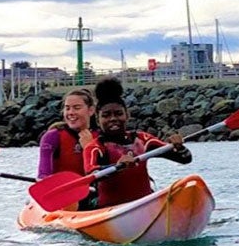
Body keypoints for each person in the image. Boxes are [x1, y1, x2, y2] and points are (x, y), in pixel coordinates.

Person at [82, 77, 192, 209]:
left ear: (127, 115)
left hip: (144, 203)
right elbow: (91, 175)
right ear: (98, 119)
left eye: (118, 114)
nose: (113, 119)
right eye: (106, 115)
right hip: (108, 209)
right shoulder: (94, 148)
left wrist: (179, 147)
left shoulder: (143, 139)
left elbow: (185, 159)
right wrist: (117, 167)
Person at [37, 88, 98, 180]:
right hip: (63, 191)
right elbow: (43, 174)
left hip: (94, 190)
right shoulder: (52, 137)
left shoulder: (101, 136)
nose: (71, 113)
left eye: (77, 108)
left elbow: (104, 172)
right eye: (67, 108)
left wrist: (89, 148)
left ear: (91, 110)